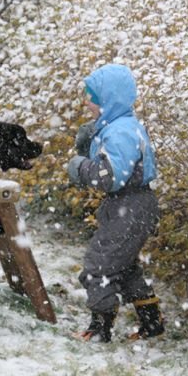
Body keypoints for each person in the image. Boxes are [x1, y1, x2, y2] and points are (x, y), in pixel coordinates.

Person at [67, 64, 164, 342]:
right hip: (132, 205)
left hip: (129, 207)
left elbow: (111, 178)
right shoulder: (120, 126)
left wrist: (81, 166)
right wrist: (90, 144)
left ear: (108, 99)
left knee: (99, 265)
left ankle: (100, 328)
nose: (86, 101)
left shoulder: (121, 132)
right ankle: (152, 323)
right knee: (124, 266)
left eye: (92, 96)